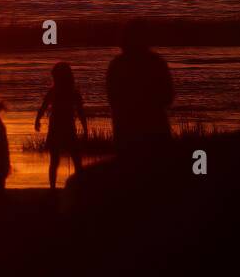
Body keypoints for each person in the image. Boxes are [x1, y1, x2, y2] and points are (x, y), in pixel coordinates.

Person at [105, 20, 174, 155]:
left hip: (126, 131)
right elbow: (167, 97)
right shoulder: (157, 63)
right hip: (155, 129)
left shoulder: (117, 65)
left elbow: (113, 100)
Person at [36, 61, 89, 189]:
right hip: (60, 128)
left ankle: (55, 187)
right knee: (71, 159)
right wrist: (37, 120)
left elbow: (80, 111)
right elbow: (44, 106)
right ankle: (57, 187)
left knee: (64, 159)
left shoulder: (67, 92)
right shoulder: (62, 91)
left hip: (63, 128)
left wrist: (37, 120)